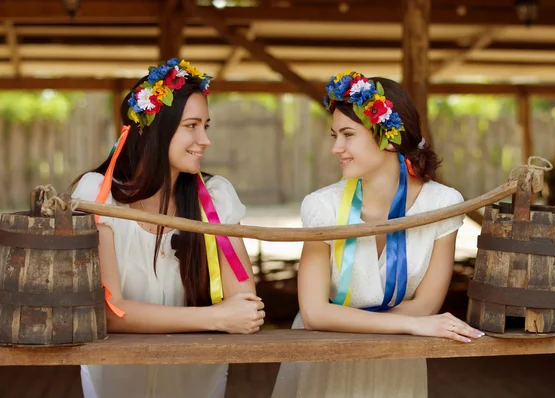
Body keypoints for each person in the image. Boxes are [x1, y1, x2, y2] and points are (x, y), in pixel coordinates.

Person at [272, 71, 483, 397]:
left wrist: (408, 322)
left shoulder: (443, 204)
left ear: (389, 137)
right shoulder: (322, 207)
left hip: (396, 360)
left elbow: (426, 306)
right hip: (327, 355)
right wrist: (412, 325)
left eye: (347, 134)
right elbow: (314, 313)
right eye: (334, 135)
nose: (336, 148)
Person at [71, 58, 265, 398]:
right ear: (153, 129)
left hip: (195, 381)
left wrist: (228, 314)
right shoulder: (98, 195)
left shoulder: (216, 198)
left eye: (207, 125)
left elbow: (244, 305)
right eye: (192, 125)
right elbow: (110, 312)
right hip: (115, 382)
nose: (205, 140)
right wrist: (215, 318)